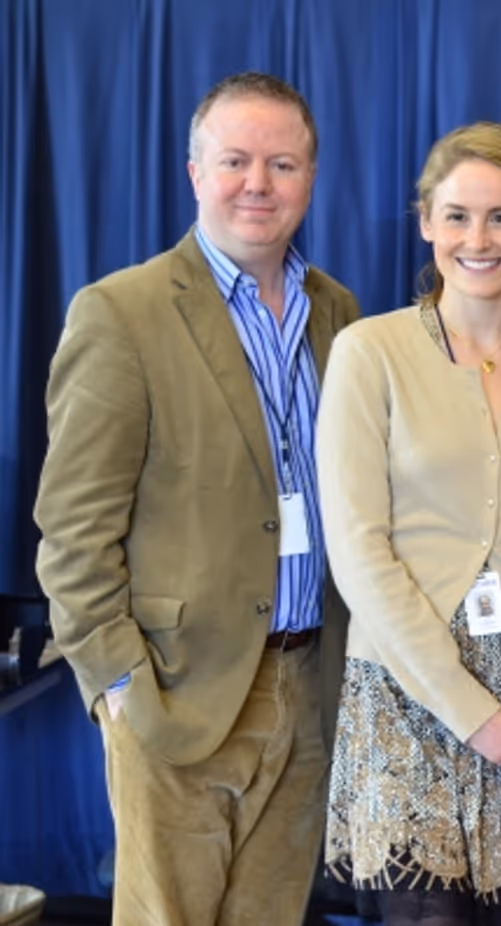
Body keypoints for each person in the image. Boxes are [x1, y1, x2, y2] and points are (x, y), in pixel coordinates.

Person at [33, 72, 360, 924]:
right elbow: (72, 533)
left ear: (312, 177)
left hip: (309, 683)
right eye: (236, 161)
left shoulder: (339, 315)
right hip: (178, 690)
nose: (259, 183)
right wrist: (119, 686)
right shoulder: (122, 313)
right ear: (194, 172)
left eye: (282, 163)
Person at [316, 122, 501, 926]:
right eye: (456, 216)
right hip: (408, 696)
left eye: (500, 217)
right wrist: (472, 712)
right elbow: (358, 550)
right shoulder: (366, 354)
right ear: (425, 223)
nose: (477, 240)